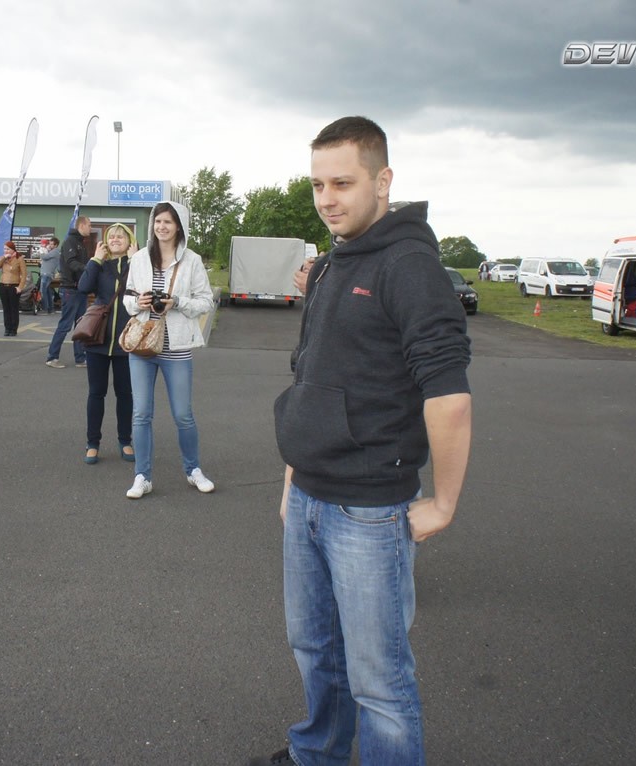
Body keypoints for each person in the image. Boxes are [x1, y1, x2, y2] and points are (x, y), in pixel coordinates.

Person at [256, 116, 473, 766]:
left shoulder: (410, 266)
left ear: (383, 181)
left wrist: (443, 504)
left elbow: (449, 397)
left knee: (379, 681)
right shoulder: (329, 266)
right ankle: (317, 753)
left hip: (369, 512)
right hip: (309, 498)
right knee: (315, 650)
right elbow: (309, 375)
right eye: (318, 184)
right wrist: (293, 475)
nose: (326, 198)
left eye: (342, 183)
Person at [120, 201, 215, 499]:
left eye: (168, 222)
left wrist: (178, 302)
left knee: (183, 414)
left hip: (177, 347)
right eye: (158, 221)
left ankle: (193, 470)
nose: (162, 227)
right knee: (141, 413)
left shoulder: (192, 260)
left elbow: (206, 301)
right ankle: (142, 476)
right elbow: (127, 298)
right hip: (143, 344)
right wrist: (138, 302)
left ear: (179, 226)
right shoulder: (139, 258)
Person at [79, 224, 135, 465]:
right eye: (111, 236)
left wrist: (135, 260)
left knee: (125, 394)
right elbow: (83, 287)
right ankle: (93, 443)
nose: (115, 239)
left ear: (130, 241)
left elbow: (144, 289)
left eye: (121, 236)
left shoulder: (137, 265)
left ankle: (125, 440)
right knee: (96, 393)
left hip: (126, 341)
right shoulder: (100, 265)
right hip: (97, 341)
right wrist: (95, 259)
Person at [45, 216, 91, 368]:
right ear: (82, 225)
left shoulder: (80, 243)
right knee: (65, 325)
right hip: (70, 289)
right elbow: (71, 263)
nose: (90, 228)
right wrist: (88, 268)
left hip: (80, 289)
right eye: (89, 225)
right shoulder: (70, 242)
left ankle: (80, 358)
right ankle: (52, 357)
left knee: (80, 325)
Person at [0, 242, 29, 336]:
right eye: (5, 249)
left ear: (13, 250)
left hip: (14, 286)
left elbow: (24, 274)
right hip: (3, 285)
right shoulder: (3, 258)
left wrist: (20, 287)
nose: (6, 251)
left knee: (13, 308)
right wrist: (3, 258)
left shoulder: (19, 258)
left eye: (8, 249)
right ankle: (7, 328)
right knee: (6, 308)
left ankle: (13, 329)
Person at [39, 236, 61, 314]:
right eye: (50, 244)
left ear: (56, 245)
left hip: (47, 274)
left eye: (52, 244)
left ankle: (45, 309)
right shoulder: (52, 252)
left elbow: (44, 257)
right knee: (48, 292)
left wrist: (41, 251)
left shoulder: (55, 252)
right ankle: (50, 309)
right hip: (46, 273)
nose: (50, 245)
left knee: (42, 291)